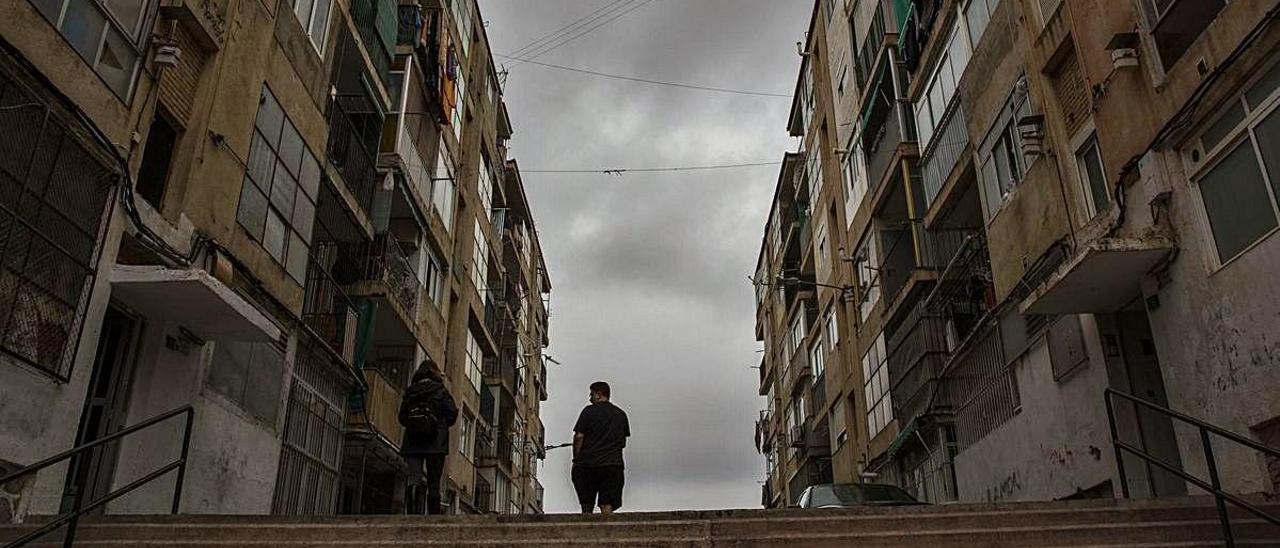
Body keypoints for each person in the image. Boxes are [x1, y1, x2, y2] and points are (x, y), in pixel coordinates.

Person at [398, 360, 458, 515]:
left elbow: (402, 417)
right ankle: (433, 520)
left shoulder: (411, 391)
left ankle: (412, 515)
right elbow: (452, 414)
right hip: (436, 443)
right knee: (434, 483)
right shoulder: (441, 390)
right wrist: (439, 422)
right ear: (435, 373)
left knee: (414, 479)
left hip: (413, 441)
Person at [571, 381, 630, 517]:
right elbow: (623, 442)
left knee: (586, 502)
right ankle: (606, 531)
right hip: (612, 464)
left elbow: (579, 436)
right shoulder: (620, 414)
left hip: (587, 464)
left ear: (599, 395)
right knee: (607, 503)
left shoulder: (588, 411)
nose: (590, 398)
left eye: (591, 394)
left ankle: (587, 529)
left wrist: (576, 459)